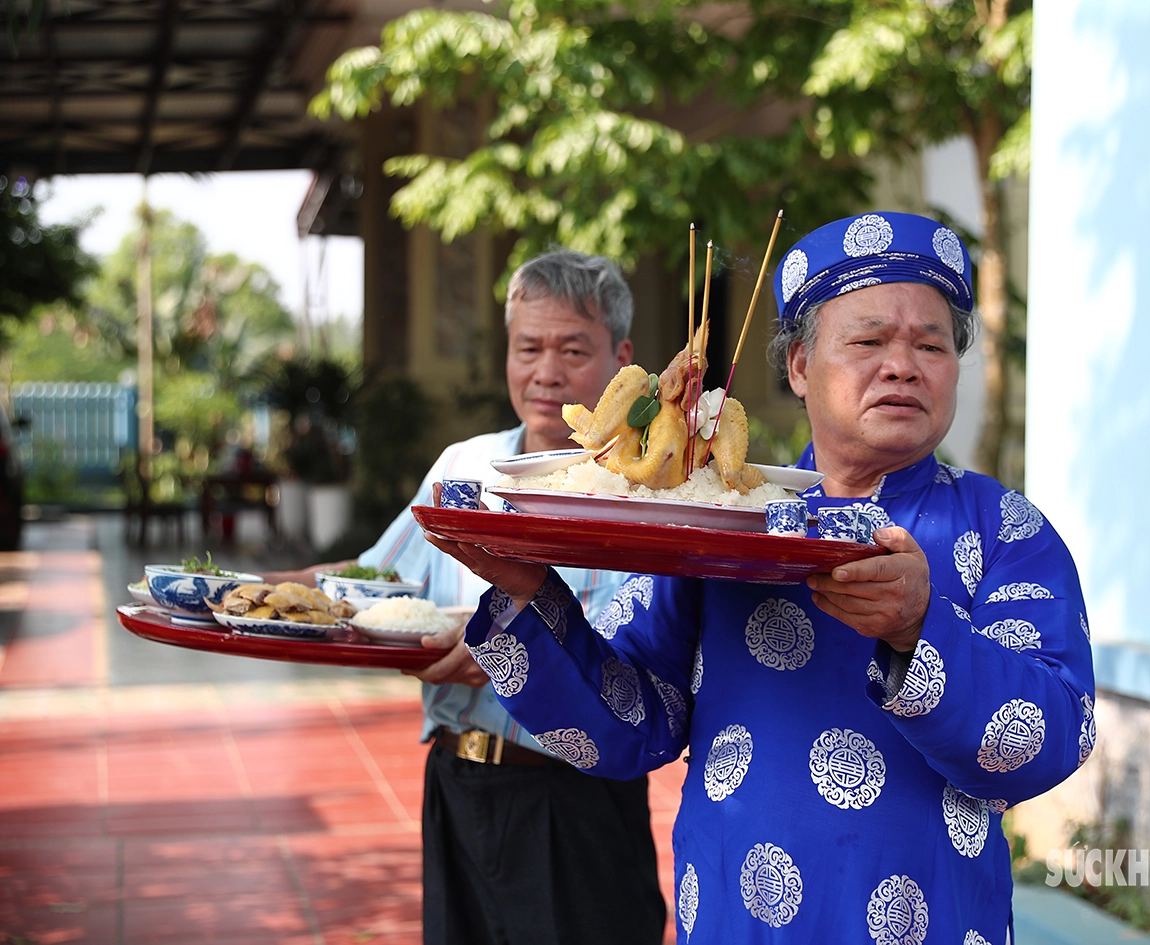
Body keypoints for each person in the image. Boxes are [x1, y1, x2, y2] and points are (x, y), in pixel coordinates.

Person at [428, 213, 1096, 943]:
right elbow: (625, 727)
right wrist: (528, 595)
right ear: (800, 366)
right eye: (869, 340)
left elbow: (1051, 738)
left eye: (930, 344)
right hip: (733, 920)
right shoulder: (724, 513)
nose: (901, 365)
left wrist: (918, 627)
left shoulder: (1006, 529)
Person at [279, 251, 666, 945]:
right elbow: (377, 582)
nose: (546, 372)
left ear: (622, 356)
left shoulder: (649, 492)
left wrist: (512, 649)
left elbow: (639, 662)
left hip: (575, 800)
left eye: (573, 349)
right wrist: (261, 594)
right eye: (528, 347)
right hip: (456, 781)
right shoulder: (465, 466)